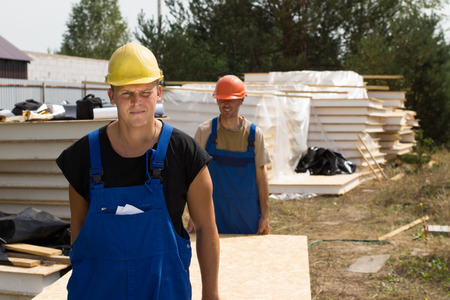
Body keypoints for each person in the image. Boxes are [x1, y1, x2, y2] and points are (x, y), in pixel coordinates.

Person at [56, 43, 220, 300]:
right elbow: (79, 231)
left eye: (145, 92)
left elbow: (207, 228)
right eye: (126, 93)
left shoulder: (185, 154)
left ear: (159, 93)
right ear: (111, 96)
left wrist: (211, 294)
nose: (136, 102)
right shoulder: (83, 157)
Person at [189, 75, 271, 235]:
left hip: (248, 215)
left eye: (231, 99)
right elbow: (194, 177)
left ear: (242, 100)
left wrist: (265, 217)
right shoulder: (204, 133)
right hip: (212, 213)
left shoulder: (254, 135)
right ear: (216, 100)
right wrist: (193, 215)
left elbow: (261, 178)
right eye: (222, 99)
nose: (226, 104)